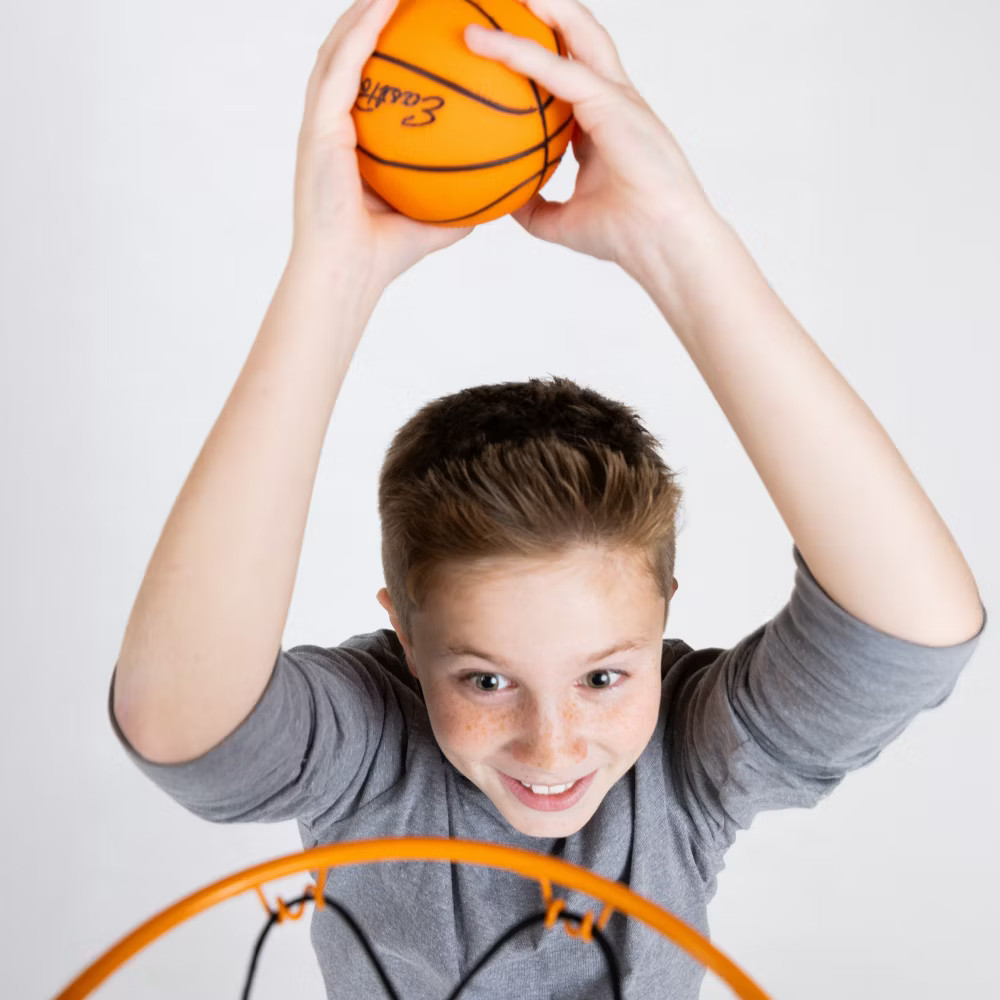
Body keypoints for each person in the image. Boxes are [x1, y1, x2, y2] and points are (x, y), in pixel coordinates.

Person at [107, 0, 988, 996]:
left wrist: (679, 239)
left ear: (662, 619)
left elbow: (909, 634)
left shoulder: (680, 764)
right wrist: (329, 276)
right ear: (403, 637)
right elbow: (181, 722)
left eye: (606, 677)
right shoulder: (369, 757)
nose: (552, 742)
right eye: (485, 681)